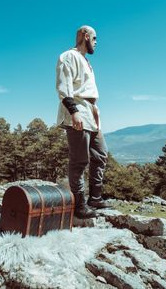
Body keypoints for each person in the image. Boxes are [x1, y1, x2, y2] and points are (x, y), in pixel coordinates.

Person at [55, 25, 112, 219]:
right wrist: (74, 112)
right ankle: (78, 205)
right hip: (78, 110)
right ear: (85, 36)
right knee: (79, 160)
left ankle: (95, 197)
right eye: (95, 38)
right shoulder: (68, 56)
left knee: (101, 154)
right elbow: (64, 86)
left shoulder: (86, 62)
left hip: (92, 112)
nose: (96, 42)